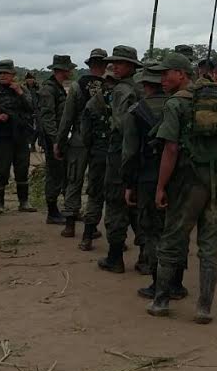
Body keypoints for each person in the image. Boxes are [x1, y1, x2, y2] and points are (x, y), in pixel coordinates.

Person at [147, 53, 217, 324]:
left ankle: (160, 301)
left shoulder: (176, 103)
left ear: (182, 74)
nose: (162, 79)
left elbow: (170, 148)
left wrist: (160, 186)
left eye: (166, 73)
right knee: (209, 246)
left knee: (172, 239)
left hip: (187, 181)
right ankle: (204, 307)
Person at [122, 61, 176, 298]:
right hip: (177, 175)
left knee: (152, 230)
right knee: (174, 230)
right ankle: (176, 283)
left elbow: (130, 153)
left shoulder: (137, 111)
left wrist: (128, 184)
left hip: (147, 177)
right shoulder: (178, 106)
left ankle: (157, 283)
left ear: (145, 84)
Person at [99, 46, 145, 273]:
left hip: (121, 154)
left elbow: (120, 124)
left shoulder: (121, 90)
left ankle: (114, 258)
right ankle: (146, 258)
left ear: (130, 66)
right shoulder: (143, 87)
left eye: (119, 63)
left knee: (116, 204)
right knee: (137, 206)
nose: (114, 66)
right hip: (142, 155)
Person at [57, 49, 107, 239]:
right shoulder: (110, 86)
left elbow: (67, 117)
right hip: (100, 142)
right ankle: (91, 226)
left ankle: (70, 224)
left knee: (74, 180)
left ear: (89, 65)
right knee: (96, 185)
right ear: (105, 65)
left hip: (78, 139)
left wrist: (59, 142)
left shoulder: (78, 86)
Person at [0, 59, 36, 212]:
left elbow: (32, 107)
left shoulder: (21, 90)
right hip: (1, 136)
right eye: (0, 73)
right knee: (1, 170)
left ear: (13, 74)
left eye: (6, 73)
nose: (3, 75)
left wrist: (20, 93)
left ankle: (24, 202)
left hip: (20, 135)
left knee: (22, 168)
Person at [42, 55, 76, 222]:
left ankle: (64, 209)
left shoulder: (58, 87)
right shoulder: (49, 89)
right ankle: (52, 211)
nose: (71, 71)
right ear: (63, 70)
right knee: (54, 175)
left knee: (63, 174)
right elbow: (48, 117)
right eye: (69, 68)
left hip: (59, 138)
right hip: (52, 140)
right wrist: (56, 140)